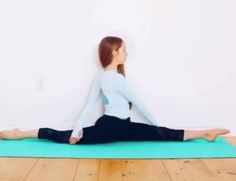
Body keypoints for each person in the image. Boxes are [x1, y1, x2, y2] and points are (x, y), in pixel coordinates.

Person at [0, 36, 230, 145]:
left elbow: (92, 104)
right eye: (124, 50)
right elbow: (138, 103)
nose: (126, 54)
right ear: (113, 53)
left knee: (161, 134)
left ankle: (205, 132)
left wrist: (156, 126)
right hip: (112, 127)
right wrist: (77, 131)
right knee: (63, 136)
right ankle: (19, 133)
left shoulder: (103, 76)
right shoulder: (116, 79)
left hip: (119, 126)